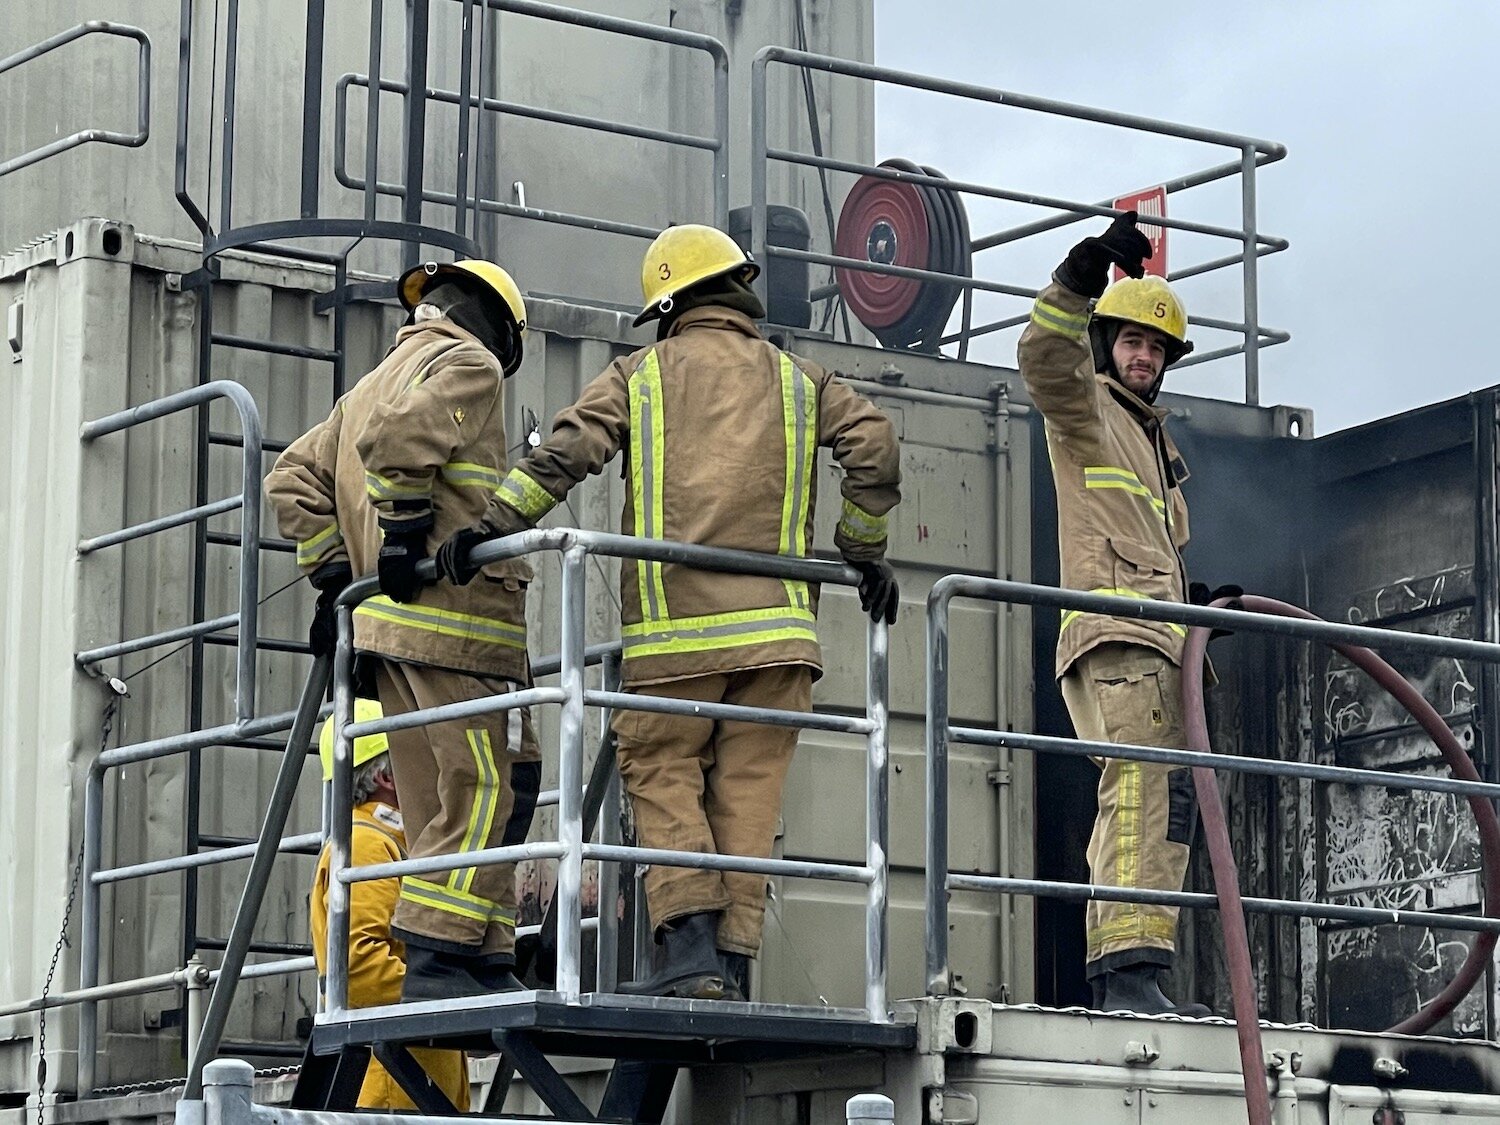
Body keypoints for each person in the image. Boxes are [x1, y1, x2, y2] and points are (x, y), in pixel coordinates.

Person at [434, 224, 902, 1000]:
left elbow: (566, 451)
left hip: (674, 637)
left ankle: (685, 951)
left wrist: (489, 525)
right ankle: (730, 965)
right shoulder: (804, 380)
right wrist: (862, 546)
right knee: (747, 799)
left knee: (662, 772)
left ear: (672, 303)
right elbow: (876, 448)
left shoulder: (640, 374)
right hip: (779, 643)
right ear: (736, 290)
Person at [268, 259, 542, 1001]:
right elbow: (402, 441)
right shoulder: (472, 363)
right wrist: (406, 527)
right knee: (501, 780)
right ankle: (440, 948)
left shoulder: (364, 388)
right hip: (463, 622)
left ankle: (480, 952)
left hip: (387, 635)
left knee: (430, 799)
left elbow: (290, 479)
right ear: (495, 324)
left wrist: (335, 579)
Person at [1018, 212, 1237, 1016]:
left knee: (1164, 802)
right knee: (1139, 791)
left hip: (1157, 642)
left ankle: (1141, 966)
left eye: (1156, 349)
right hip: (1117, 639)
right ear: (1106, 341)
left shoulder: (1152, 442)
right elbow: (1042, 357)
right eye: (1131, 342)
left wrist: (1200, 606)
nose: (1143, 357)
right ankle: (1125, 977)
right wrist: (1078, 276)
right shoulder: (1088, 409)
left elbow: (1147, 545)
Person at [308, 699, 469, 1110]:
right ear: (385, 776)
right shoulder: (366, 844)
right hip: (392, 1090)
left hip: (412, 1084)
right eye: (419, 754)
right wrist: (451, 997)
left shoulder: (395, 844)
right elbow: (358, 967)